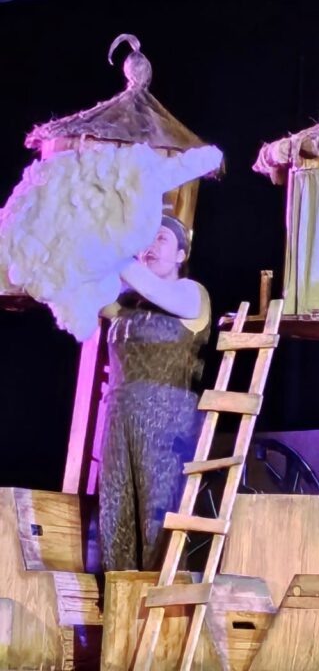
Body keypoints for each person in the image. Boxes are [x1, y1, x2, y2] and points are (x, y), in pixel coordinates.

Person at [99, 214, 210, 571]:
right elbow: (79, 290)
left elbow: (153, 290)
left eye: (160, 238)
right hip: (120, 417)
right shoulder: (125, 305)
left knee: (158, 514)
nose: (150, 246)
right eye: (144, 239)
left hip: (168, 417)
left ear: (181, 255)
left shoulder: (191, 293)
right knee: (116, 513)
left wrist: (115, 256)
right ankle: (119, 597)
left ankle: (161, 597)